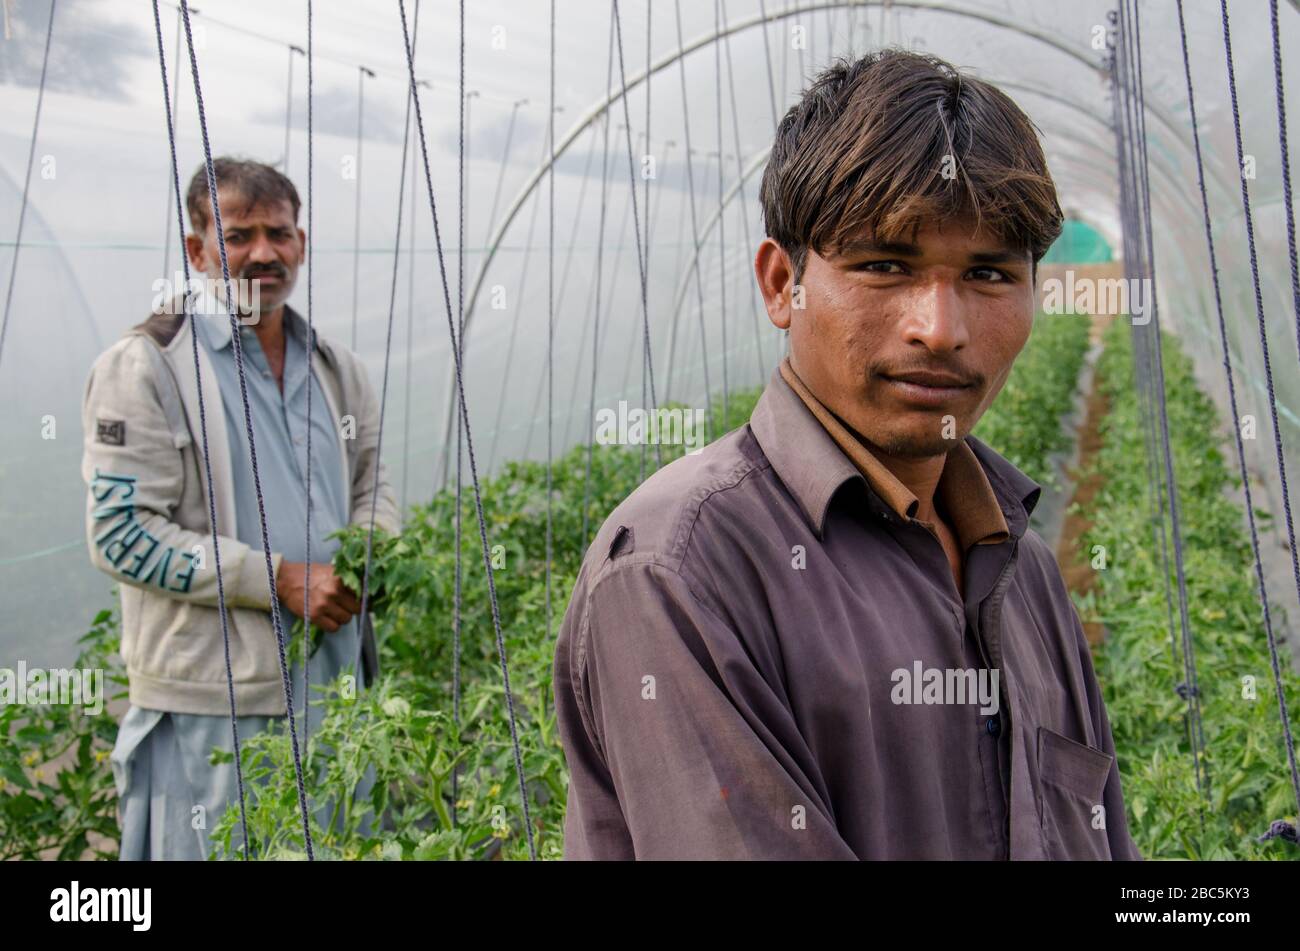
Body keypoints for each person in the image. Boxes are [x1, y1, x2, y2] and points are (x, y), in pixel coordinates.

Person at [553, 50, 1142, 860]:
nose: (940, 327)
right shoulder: (681, 571)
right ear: (780, 282)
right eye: (884, 265)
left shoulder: (1023, 570)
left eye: (988, 273)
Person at [80, 157, 399, 859]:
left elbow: (374, 489)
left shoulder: (335, 367)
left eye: (279, 233)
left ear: (301, 243)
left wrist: (366, 556)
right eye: (239, 234)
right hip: (216, 704)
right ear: (197, 251)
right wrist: (277, 576)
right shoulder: (149, 365)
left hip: (334, 687)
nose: (264, 253)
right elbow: (121, 532)